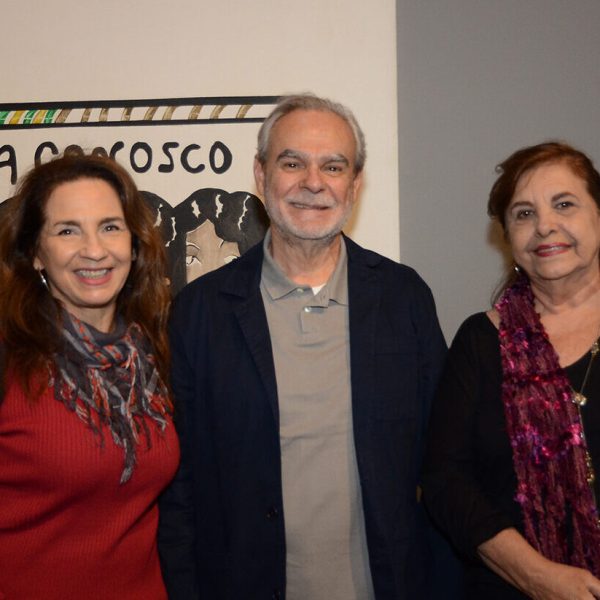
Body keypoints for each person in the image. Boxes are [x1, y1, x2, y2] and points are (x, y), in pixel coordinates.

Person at [158, 93, 448, 599]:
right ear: (260, 175)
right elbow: (179, 488)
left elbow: (444, 465)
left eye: (333, 166)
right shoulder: (200, 312)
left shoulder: (404, 299)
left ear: (354, 185)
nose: (313, 183)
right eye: (292, 162)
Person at [422, 141, 600, 599]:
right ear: (507, 237)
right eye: (523, 214)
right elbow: (445, 483)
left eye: (564, 204)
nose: (545, 225)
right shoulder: (480, 342)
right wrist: (536, 576)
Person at [0, 153, 179, 599]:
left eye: (110, 226)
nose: (94, 250)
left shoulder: (153, 354)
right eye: (67, 231)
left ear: (134, 244)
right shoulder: (9, 357)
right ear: (36, 253)